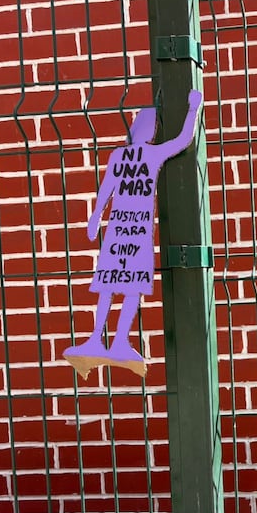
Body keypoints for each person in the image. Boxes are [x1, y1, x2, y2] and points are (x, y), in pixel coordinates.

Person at [64, 90, 203, 372]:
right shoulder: (149, 154)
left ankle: (108, 341)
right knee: (124, 285)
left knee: (117, 283)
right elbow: (182, 140)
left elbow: (106, 190)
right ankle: (105, 341)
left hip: (124, 227)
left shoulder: (128, 155)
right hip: (132, 228)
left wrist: (95, 216)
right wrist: (192, 110)